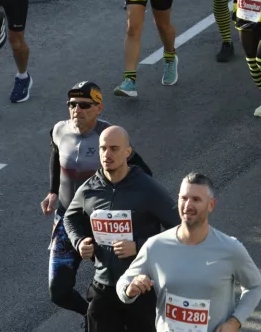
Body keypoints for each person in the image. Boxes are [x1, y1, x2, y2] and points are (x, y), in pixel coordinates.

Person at [42, 81, 153, 317]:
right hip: (67, 219)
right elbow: (55, 152)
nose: (76, 110)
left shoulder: (110, 138)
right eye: (72, 104)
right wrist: (53, 190)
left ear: (99, 108)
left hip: (103, 222)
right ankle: (92, 317)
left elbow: (144, 173)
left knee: (120, 284)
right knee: (58, 292)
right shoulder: (60, 129)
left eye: (84, 105)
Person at [64, 126, 180, 332]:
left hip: (141, 286)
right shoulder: (90, 188)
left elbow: (180, 230)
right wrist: (80, 241)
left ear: (128, 152)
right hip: (103, 285)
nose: (107, 154)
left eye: (114, 148)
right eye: (103, 148)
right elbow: (70, 218)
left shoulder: (147, 188)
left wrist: (138, 246)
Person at [116, 173, 261, 332]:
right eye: (184, 198)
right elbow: (123, 283)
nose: (187, 206)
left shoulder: (230, 248)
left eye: (196, 199)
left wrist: (235, 322)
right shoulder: (156, 245)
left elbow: (255, 286)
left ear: (211, 205)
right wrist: (130, 289)